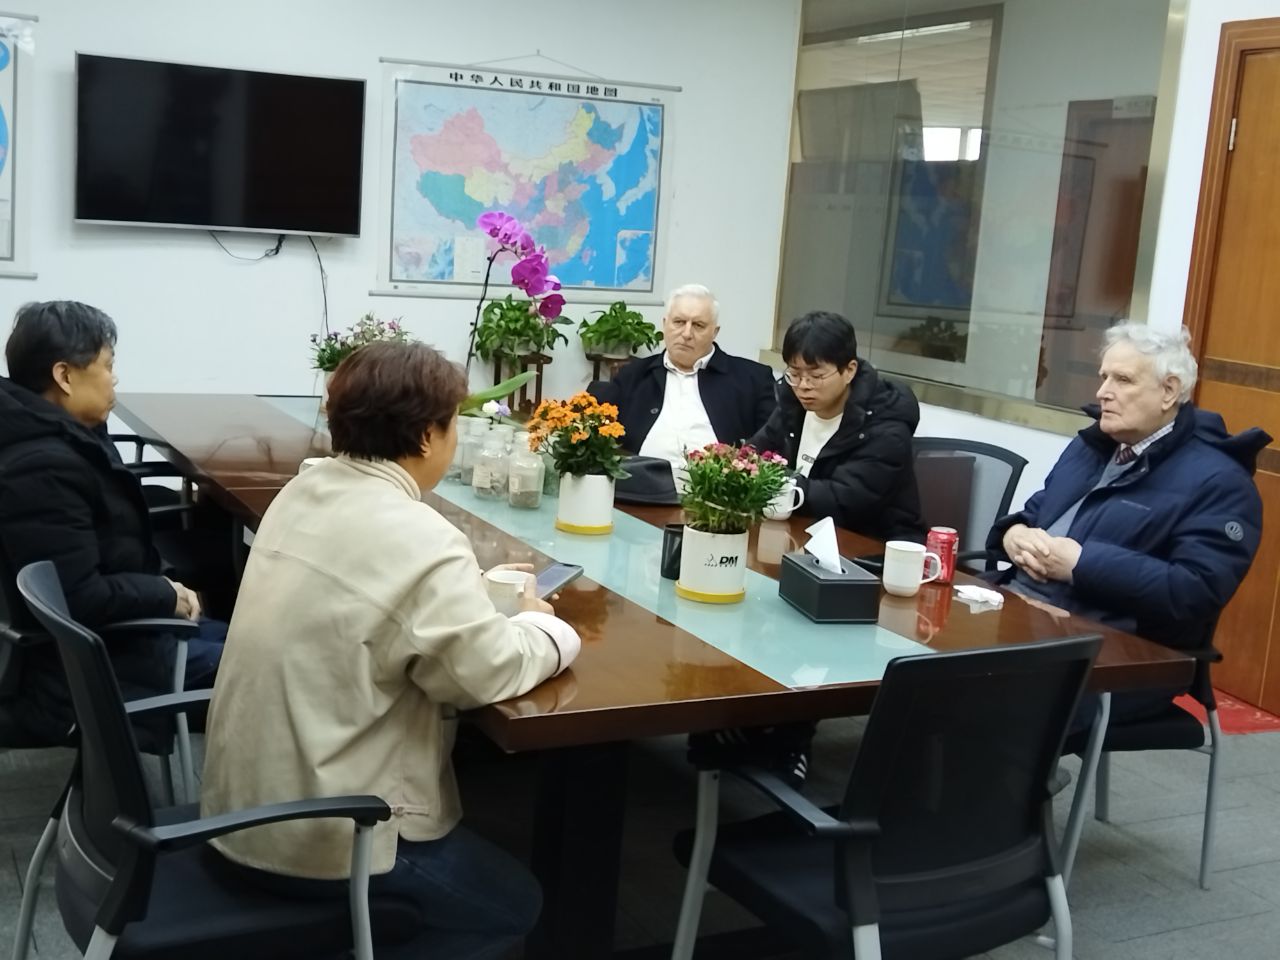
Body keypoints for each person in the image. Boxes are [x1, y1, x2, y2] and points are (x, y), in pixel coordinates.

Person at [200, 341, 582, 960]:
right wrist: (548, 629)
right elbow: (485, 672)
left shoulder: (302, 491)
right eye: (454, 424)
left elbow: (372, 604)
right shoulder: (421, 537)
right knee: (515, 906)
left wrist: (469, 593)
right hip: (328, 841)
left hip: (240, 810)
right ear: (429, 436)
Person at [988, 323, 1269, 722]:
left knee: (967, 697)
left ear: (1169, 391)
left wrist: (1081, 565)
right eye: (1103, 377)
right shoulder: (1092, 446)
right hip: (1024, 615)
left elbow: (1194, 591)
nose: (1103, 392)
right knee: (916, 654)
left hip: (1121, 655)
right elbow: (1036, 513)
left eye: (1122, 380)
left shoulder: (1220, 482)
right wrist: (1013, 535)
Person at [0, 301, 223, 743]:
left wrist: (164, 587)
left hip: (123, 637)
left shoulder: (64, 436)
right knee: (282, 668)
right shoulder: (42, 468)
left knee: (269, 643)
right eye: (107, 365)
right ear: (64, 376)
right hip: (93, 667)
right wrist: (164, 593)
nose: (114, 378)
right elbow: (78, 597)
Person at [748, 310, 924, 541]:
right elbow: (752, 455)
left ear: (849, 370)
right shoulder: (793, 406)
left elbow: (845, 500)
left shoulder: (886, 428)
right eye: (794, 374)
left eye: (816, 376)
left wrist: (773, 482)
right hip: (802, 533)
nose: (803, 386)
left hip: (870, 546)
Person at [591, 283, 777, 466]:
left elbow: (772, 446)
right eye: (679, 322)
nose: (687, 333)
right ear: (665, 324)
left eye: (698, 325)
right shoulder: (633, 376)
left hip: (717, 483)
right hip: (642, 480)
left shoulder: (753, 379)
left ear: (715, 332)